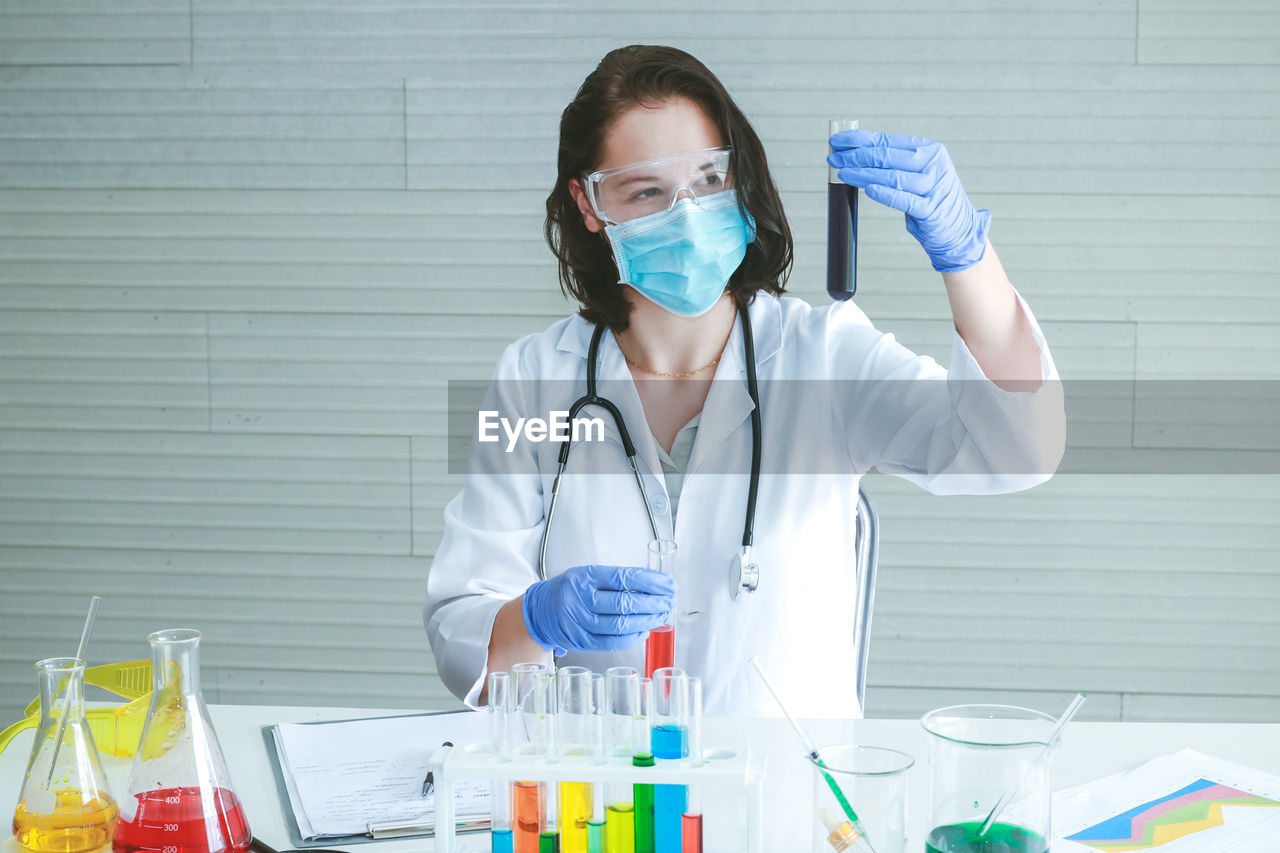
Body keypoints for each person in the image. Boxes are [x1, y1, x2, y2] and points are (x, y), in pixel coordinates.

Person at [424, 45, 1065, 718]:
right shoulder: (534, 380)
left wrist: (967, 257)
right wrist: (536, 618)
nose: (688, 215)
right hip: (603, 805)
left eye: (708, 180)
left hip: (790, 800)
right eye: (646, 191)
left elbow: (1017, 450)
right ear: (589, 203)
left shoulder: (821, 356)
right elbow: (461, 629)